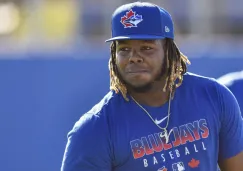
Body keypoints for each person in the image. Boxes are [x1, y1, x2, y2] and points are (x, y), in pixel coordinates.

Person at [61, 2, 243, 171]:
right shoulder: (94, 129)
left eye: (146, 48)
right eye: (124, 49)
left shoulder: (214, 96)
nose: (134, 57)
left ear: (169, 51)